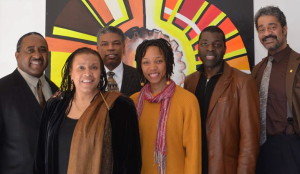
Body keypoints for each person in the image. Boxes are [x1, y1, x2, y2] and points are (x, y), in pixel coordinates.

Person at [34, 47, 141, 174]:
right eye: (81, 67)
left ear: (101, 72)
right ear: (70, 72)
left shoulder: (120, 107)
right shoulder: (55, 106)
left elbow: (131, 162)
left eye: (94, 67)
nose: (88, 73)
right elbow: (40, 156)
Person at [184, 26, 260, 174]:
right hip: (195, 166)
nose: (210, 48)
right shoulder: (189, 82)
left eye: (217, 44)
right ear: (198, 47)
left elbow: (250, 140)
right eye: (205, 43)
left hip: (224, 168)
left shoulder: (243, 82)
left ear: (225, 48)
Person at [131, 38, 201, 174]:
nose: (152, 68)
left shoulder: (187, 101)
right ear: (140, 66)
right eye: (146, 62)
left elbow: (193, 154)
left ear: (168, 63)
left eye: (159, 61)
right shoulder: (133, 102)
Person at [0, 32, 58, 174]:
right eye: (30, 50)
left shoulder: (56, 90)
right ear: (17, 55)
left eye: (42, 50)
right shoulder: (2, 89)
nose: (37, 55)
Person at [252, 6, 300, 174]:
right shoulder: (257, 70)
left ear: (284, 29)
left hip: (290, 147)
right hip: (261, 150)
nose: (267, 34)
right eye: (261, 29)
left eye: (272, 27)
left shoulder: (298, 64)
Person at [97, 26, 141, 96]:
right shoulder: (91, 76)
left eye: (116, 43)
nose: (111, 48)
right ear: (98, 49)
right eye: (105, 44)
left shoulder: (139, 76)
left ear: (123, 47)